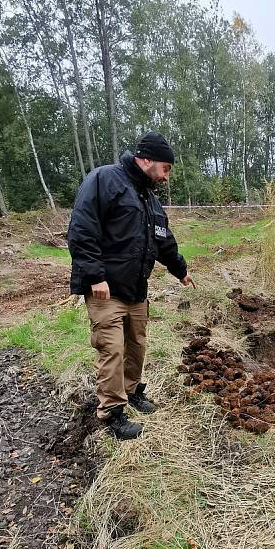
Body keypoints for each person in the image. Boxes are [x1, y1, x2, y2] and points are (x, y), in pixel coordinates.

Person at [68, 132, 195, 440]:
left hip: (136, 289)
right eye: (165, 168)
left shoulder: (150, 200)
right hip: (105, 289)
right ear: (146, 159)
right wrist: (96, 275)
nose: (166, 176)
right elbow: (81, 228)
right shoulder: (104, 180)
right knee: (111, 349)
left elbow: (164, 241)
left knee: (136, 345)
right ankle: (112, 413)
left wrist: (180, 270)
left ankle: (132, 391)